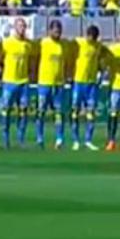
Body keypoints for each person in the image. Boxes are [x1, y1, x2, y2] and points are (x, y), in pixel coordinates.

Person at [0, 18, 34, 149]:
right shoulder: (6, 43)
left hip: (23, 82)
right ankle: (5, 139)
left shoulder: (28, 45)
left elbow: (31, 61)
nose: (22, 29)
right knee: (5, 111)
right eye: (19, 26)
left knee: (23, 111)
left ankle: (21, 139)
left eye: (24, 26)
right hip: (9, 81)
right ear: (14, 27)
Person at [71, 25, 107, 151]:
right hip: (78, 82)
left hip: (91, 84)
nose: (90, 39)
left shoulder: (98, 46)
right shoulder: (79, 43)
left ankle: (88, 140)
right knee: (75, 112)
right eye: (89, 36)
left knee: (90, 113)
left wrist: (101, 73)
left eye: (93, 37)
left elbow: (102, 58)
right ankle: (75, 140)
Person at [35, 20, 69, 150]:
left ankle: (59, 139)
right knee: (41, 112)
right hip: (44, 83)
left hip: (58, 84)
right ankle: (39, 138)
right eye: (55, 30)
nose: (57, 33)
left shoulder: (64, 45)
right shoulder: (43, 43)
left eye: (59, 31)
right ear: (49, 31)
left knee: (59, 113)